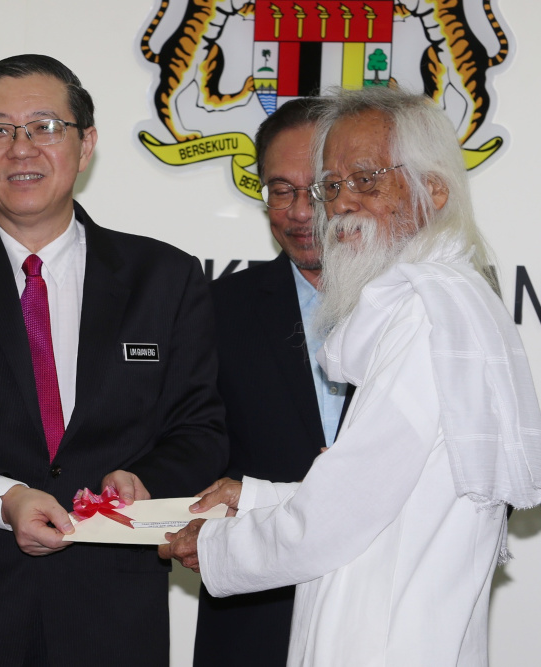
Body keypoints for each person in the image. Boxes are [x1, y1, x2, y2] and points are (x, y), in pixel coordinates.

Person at [0, 54, 227, 666]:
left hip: (108, 613)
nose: (21, 148)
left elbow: (200, 431)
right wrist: (4, 499)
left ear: (86, 146)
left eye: (45, 127)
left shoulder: (164, 277)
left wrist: (145, 483)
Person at [161, 85, 541, 666]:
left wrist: (217, 548)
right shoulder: (442, 299)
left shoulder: (425, 314)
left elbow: (341, 515)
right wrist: (258, 496)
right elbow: (392, 496)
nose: (338, 204)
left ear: (433, 188)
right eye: (331, 186)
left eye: (366, 179)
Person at [194, 97, 347, 666]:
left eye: (320, 189)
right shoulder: (214, 310)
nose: (301, 212)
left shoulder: (417, 310)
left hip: (387, 608)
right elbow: (189, 447)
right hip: (255, 618)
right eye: (281, 191)